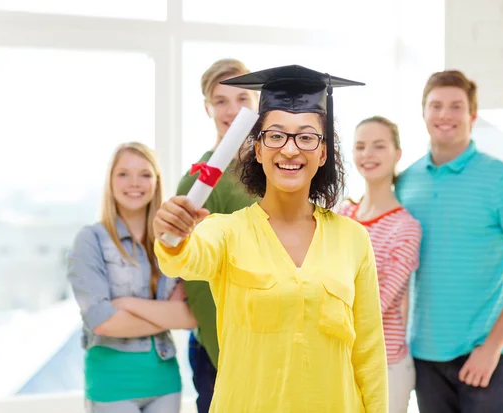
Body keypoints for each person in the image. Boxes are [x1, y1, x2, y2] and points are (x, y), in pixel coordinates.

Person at [153, 65, 388, 412]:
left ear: (323, 153)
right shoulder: (226, 231)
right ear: (258, 148)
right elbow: (183, 258)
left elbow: (369, 354)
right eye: (276, 135)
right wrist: (172, 236)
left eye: (306, 137)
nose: (290, 150)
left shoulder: (352, 239)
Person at [395, 70, 503, 413]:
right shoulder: (406, 182)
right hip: (424, 355)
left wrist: (492, 348)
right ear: (423, 114)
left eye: (456, 107)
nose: (444, 115)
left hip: (483, 355)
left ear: (472, 116)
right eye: (436, 106)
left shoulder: (502, 179)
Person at [67, 142, 197, 413]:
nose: (134, 183)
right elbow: (102, 322)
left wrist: (127, 304)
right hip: (111, 383)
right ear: (110, 181)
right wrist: (165, 315)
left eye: (145, 174)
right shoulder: (90, 240)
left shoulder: (173, 243)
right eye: (123, 174)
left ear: (157, 182)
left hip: (165, 381)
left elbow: (189, 317)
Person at [176, 58, 259, 413]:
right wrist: (227, 349)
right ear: (207, 108)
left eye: (242, 98)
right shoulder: (197, 182)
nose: (232, 110)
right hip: (222, 349)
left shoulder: (280, 169)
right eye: (220, 100)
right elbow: (194, 276)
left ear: (257, 102)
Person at [339, 116, 421, 413]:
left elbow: (379, 301)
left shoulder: (406, 227)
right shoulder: (342, 215)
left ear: (397, 154)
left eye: (378, 146)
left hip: (385, 363)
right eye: (360, 146)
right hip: (339, 359)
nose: (367, 154)